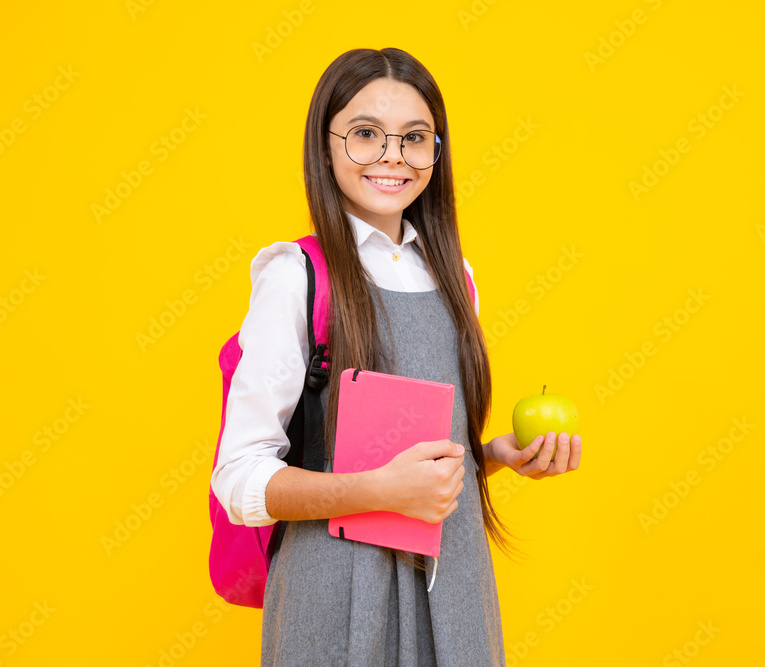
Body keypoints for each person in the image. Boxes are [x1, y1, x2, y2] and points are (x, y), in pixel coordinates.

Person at [210, 47, 582, 666]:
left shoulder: (454, 275)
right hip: (335, 592)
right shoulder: (296, 276)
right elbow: (241, 481)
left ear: (437, 151)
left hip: (455, 587)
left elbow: (417, 466)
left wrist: (493, 456)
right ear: (324, 145)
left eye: (415, 138)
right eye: (365, 134)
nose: (393, 156)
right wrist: (375, 491)